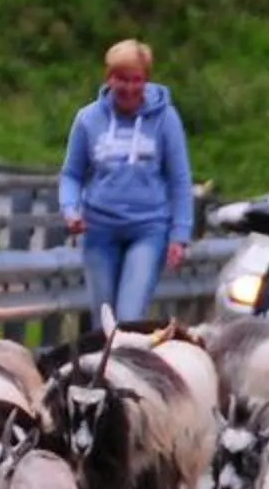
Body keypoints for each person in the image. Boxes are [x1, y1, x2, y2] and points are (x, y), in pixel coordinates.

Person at [57, 38, 194, 330]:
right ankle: (104, 375)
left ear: (146, 81)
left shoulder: (165, 119)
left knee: (129, 318)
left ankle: (129, 370)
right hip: (100, 228)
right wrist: (71, 209)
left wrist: (179, 236)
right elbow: (71, 174)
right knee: (103, 322)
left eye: (136, 80)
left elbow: (180, 179)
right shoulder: (88, 119)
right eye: (122, 79)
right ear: (109, 79)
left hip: (148, 228)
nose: (129, 89)